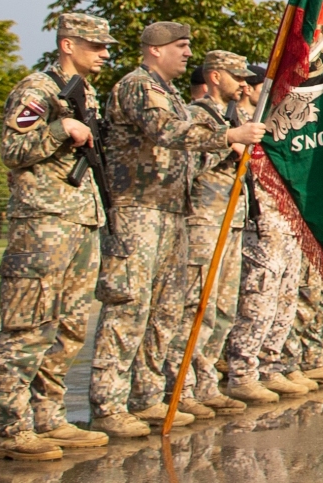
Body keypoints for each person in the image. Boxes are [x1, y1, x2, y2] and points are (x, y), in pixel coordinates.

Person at [88, 23, 265, 437]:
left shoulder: (167, 93)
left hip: (170, 209)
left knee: (164, 311)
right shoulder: (137, 86)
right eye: (181, 47)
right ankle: (108, 403)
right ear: (154, 50)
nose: (188, 55)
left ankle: (147, 397)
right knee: (128, 308)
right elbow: (164, 131)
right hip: (138, 208)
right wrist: (229, 135)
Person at [0, 13, 117, 461]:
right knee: (28, 325)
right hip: (42, 223)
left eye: (106, 46)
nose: (104, 53)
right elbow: (12, 151)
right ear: (67, 45)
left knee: (69, 327)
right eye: (95, 45)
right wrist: (60, 129)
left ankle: (49, 417)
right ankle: (12, 428)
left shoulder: (87, 94)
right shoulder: (37, 91)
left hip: (79, 219)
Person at [163, 50, 258, 419]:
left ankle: (205, 384)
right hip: (204, 220)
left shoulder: (229, 118)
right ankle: (181, 388)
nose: (245, 84)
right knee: (195, 307)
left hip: (230, 220)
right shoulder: (197, 115)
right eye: (237, 76)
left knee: (222, 309)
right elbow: (183, 163)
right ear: (216, 76)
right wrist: (225, 145)